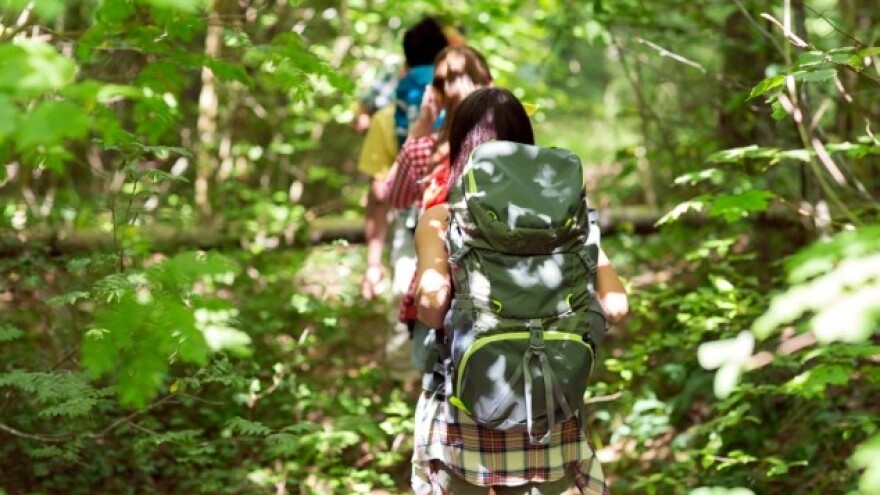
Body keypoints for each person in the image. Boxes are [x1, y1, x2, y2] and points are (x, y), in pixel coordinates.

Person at [411, 87, 629, 494]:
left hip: (465, 420)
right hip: (549, 415)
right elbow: (617, 306)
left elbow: (431, 305)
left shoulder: (441, 218)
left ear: (462, 147)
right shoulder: (571, 221)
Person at [370, 45, 494, 383]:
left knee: (442, 378)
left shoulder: (427, 148)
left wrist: (422, 122)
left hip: (441, 285)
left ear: (434, 93)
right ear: (490, 82)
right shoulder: (512, 142)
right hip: (500, 283)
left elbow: (395, 195)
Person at [358, 17, 450, 383]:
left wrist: (372, 263)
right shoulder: (468, 108)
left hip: (409, 226)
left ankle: (408, 391)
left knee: (406, 308)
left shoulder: (386, 117)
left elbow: (380, 195)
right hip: (463, 222)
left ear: (405, 61)